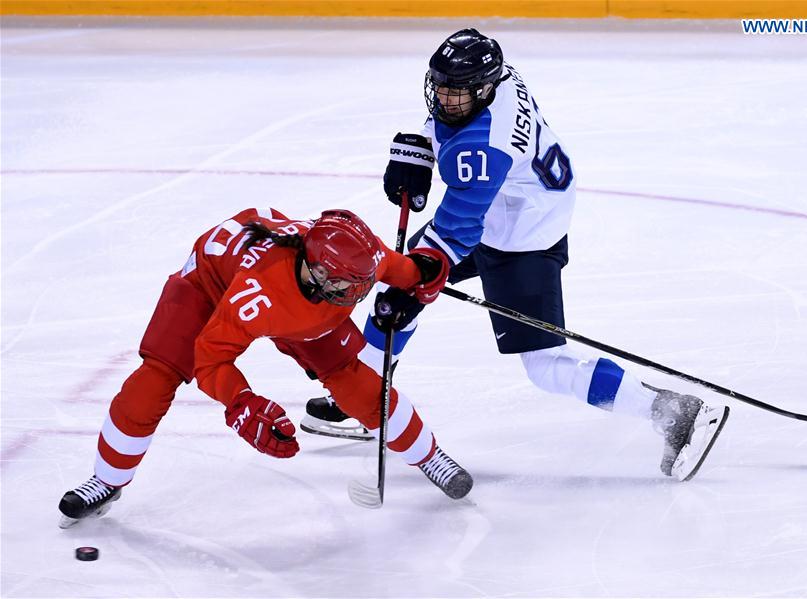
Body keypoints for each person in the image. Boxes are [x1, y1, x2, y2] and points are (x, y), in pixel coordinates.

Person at [301, 29, 729, 482]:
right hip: (509, 206)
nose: (446, 100)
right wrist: (419, 151)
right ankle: (365, 396)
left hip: (523, 237)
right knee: (400, 286)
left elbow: (458, 229)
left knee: (545, 366)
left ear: (484, 89)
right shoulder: (501, 81)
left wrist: (417, 282)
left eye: (456, 94)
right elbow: (449, 132)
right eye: (441, 88)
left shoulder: (485, 147)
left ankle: (675, 412)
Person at [58, 207, 473, 528]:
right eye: (351, 287)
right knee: (154, 379)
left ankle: (430, 457)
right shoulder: (258, 294)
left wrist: (423, 272)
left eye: (362, 283)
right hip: (209, 284)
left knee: (358, 384)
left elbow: (395, 267)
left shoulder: (351, 259)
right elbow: (210, 357)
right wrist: (240, 402)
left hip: (296, 301)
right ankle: (107, 479)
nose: (360, 294)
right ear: (321, 273)